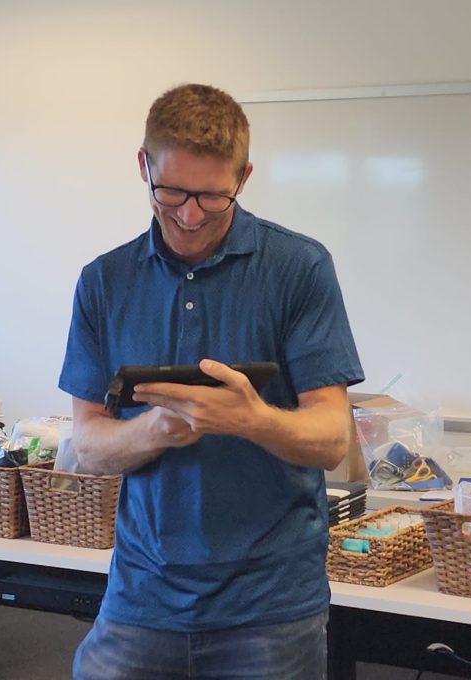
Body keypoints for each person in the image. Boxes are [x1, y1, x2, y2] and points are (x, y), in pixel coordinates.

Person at [59, 83, 363, 680]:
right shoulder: (103, 282)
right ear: (143, 166)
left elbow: (332, 440)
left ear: (243, 178)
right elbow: (87, 446)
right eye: (170, 191)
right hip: (141, 598)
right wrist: (160, 430)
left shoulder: (298, 268)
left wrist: (252, 421)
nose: (189, 215)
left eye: (211, 197)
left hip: (270, 607)